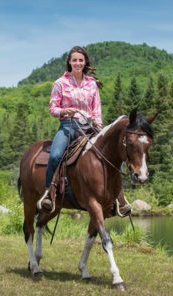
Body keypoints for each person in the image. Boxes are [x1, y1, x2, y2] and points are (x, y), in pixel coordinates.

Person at [37, 46, 131, 216]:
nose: (78, 63)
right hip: (68, 126)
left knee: (112, 154)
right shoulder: (60, 83)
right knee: (56, 155)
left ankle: (119, 198)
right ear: (69, 62)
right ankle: (48, 194)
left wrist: (99, 127)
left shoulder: (91, 84)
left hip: (89, 127)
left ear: (85, 62)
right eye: (74, 60)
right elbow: (52, 108)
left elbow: (97, 108)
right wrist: (64, 111)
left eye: (81, 60)